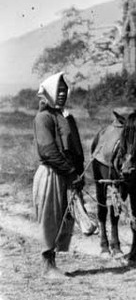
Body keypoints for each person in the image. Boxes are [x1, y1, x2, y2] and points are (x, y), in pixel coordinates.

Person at [32, 72, 86, 278]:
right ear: (48, 92)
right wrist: (71, 172)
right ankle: (48, 265)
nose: (62, 93)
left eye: (64, 90)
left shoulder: (66, 117)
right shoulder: (43, 117)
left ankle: (54, 261)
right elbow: (48, 151)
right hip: (51, 173)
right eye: (58, 90)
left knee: (65, 217)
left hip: (68, 174)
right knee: (50, 217)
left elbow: (76, 148)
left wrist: (79, 173)